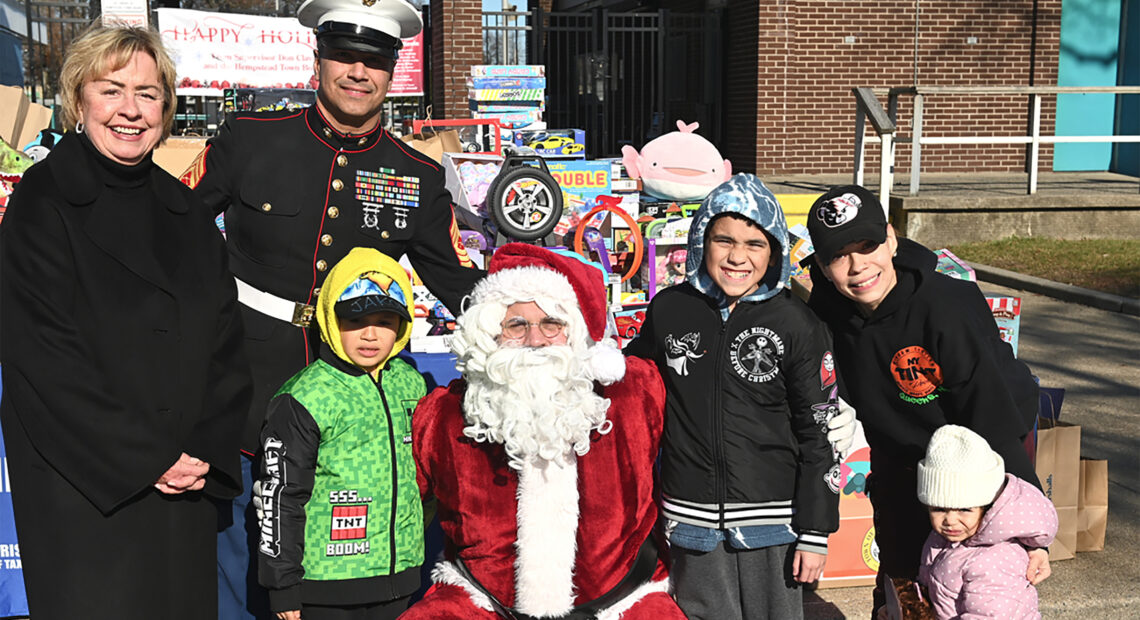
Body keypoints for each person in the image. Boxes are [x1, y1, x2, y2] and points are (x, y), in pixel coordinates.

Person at [180, 0, 483, 615]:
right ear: (318, 59)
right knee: (240, 574)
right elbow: (173, 229)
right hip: (244, 390)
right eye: (344, 56)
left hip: (353, 415)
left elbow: (462, 283)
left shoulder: (416, 175)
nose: (358, 72)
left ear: (391, 72)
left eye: (375, 62)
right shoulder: (251, 139)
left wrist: (538, 315)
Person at [0, 24, 251, 619]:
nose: (130, 110)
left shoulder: (187, 211)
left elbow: (225, 343)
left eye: (147, 93)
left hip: (183, 488)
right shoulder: (42, 202)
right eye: (111, 90)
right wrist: (147, 457)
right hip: (88, 492)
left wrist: (202, 451)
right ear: (78, 99)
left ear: (167, 107)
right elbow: (44, 359)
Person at [402, 243, 687, 619]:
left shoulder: (634, 391)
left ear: (574, 332)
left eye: (552, 324)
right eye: (517, 325)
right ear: (491, 331)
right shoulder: (447, 412)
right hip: (482, 600)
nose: (535, 340)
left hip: (624, 599)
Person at [804, 184, 1049, 614]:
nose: (858, 266)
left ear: (891, 239)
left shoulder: (947, 307)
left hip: (970, 485)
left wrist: (1030, 532)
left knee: (971, 598)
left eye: (868, 246)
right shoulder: (824, 317)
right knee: (902, 598)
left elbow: (994, 417)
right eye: (839, 256)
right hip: (899, 474)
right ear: (822, 267)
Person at [624, 173, 843, 619]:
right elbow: (633, 386)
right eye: (723, 240)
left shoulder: (797, 323)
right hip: (691, 515)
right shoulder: (671, 309)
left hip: (774, 520)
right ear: (701, 240)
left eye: (754, 244)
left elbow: (817, 431)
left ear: (774, 250)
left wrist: (815, 531)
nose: (737, 257)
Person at [257, 247, 425, 620]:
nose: (370, 334)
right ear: (331, 320)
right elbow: (280, 496)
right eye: (355, 320)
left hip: (399, 578)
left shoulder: (411, 385)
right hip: (325, 586)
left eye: (385, 321)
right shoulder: (307, 395)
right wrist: (283, 587)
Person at [917, 425, 1058, 619]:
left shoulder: (994, 559)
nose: (950, 520)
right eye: (938, 509)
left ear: (987, 507)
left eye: (964, 509)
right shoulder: (943, 540)